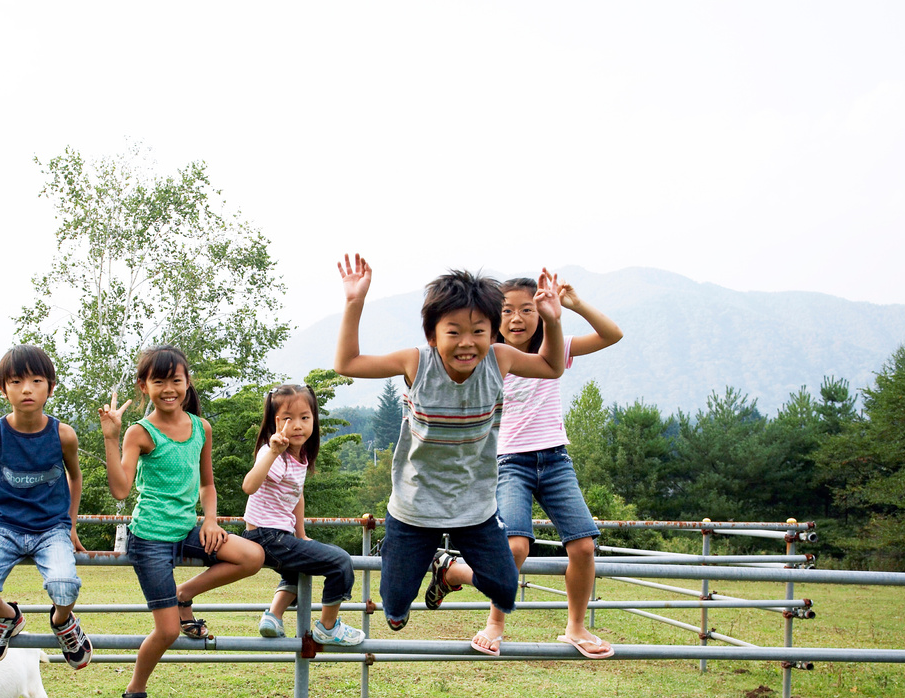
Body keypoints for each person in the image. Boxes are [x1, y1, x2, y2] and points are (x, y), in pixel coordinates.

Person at [332, 254, 565, 655]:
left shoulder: (500, 359)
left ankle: (446, 569)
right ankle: (409, 562)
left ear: (493, 333)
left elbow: (552, 365)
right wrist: (354, 302)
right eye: (453, 331)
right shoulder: (415, 363)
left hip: (474, 507)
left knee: (506, 591)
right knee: (394, 609)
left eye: (478, 331)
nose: (467, 342)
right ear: (432, 335)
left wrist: (555, 321)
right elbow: (347, 364)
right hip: (413, 506)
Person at [437, 279, 625, 656]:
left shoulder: (553, 348)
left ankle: (575, 627)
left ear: (541, 314)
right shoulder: (489, 355)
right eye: (506, 310)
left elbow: (612, 334)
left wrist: (573, 304)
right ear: (494, 317)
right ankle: (494, 621)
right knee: (515, 546)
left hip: (555, 459)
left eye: (527, 309)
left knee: (585, 547)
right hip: (509, 464)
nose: (517, 318)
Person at [99, 345, 265, 698]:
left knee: (252, 556)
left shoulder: (200, 428)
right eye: (159, 381)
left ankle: (184, 594)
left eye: (177, 380)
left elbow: (207, 484)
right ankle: (135, 692)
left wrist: (210, 520)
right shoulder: (141, 432)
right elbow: (121, 490)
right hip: (151, 538)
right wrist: (112, 437)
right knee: (169, 630)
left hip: (189, 529)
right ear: (145, 386)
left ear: (188, 383)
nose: (169, 388)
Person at [0, 345, 93, 669]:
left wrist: (70, 525)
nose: (27, 389)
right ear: (3, 389)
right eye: (16, 381)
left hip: (52, 529)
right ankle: (8, 617)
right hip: (6, 529)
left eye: (36, 380)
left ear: (51, 386)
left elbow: (76, 478)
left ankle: (63, 622)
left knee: (65, 587)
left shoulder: (63, 435)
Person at [241, 383, 365, 646]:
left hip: (277, 535)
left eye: (305, 418)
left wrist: (301, 534)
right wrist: (273, 451)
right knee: (340, 562)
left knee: (298, 570)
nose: (297, 425)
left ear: (313, 420)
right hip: (266, 535)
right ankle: (329, 628)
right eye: (288, 418)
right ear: (277, 422)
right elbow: (249, 486)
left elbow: (297, 494)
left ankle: (273, 616)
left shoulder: (302, 455)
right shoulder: (274, 453)